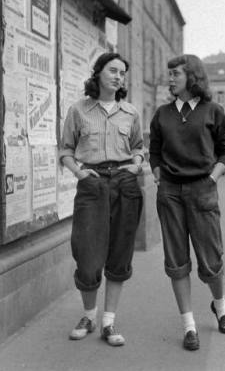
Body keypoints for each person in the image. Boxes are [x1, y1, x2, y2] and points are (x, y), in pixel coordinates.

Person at [149, 54, 225, 351]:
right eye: (169, 73)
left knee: (211, 260)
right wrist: (161, 177)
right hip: (170, 193)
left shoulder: (213, 111)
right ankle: (189, 326)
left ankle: (220, 307)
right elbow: (155, 152)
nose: (170, 78)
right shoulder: (162, 114)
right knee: (176, 262)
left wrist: (212, 179)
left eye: (175, 73)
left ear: (192, 77)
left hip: (202, 190)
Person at [59, 52, 144, 347]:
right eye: (113, 70)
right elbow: (66, 151)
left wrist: (135, 164)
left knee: (119, 253)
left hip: (124, 184)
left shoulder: (130, 112)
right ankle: (88, 316)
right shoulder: (79, 110)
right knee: (87, 254)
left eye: (122, 72)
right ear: (97, 73)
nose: (118, 76)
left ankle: (108, 322)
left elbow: (138, 147)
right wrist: (80, 174)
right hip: (92, 185)